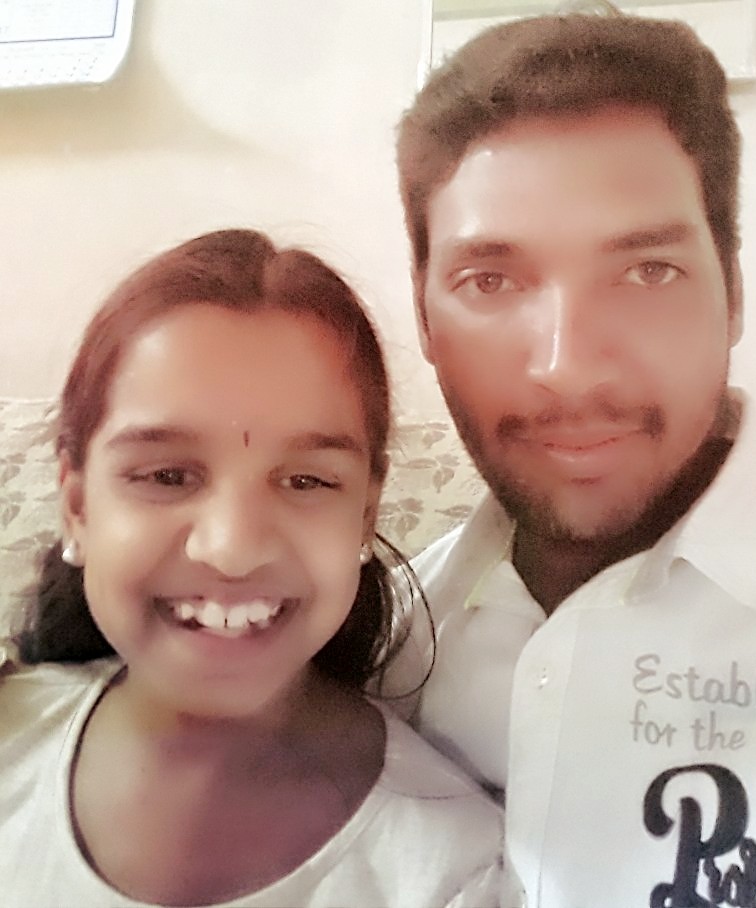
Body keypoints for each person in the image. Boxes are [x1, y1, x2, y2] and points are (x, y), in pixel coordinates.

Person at [391, 10, 756, 908]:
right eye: (491, 280)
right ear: (424, 316)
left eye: (646, 271)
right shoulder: (378, 650)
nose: (567, 366)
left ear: (733, 291)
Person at [0, 229, 515, 908]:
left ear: (365, 516)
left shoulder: (452, 874)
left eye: (305, 481)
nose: (232, 548)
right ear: (77, 506)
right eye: (167, 475)